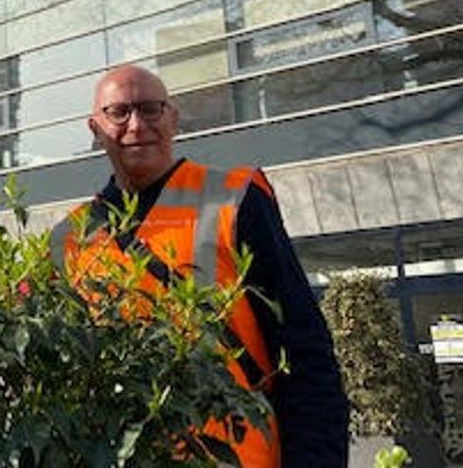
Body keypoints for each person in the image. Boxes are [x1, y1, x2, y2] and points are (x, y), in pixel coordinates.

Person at [50, 64, 348, 467]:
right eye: (118, 112)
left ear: (173, 118)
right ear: (95, 128)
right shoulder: (70, 238)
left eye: (151, 109)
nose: (136, 125)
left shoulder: (235, 200)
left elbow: (304, 351)